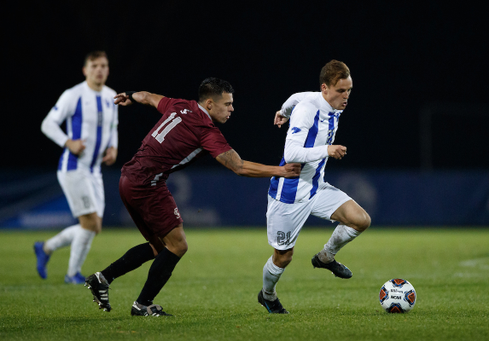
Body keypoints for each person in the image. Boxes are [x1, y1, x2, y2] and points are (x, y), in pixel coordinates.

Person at [84, 77, 301, 317]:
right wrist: (280, 171)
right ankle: (143, 304)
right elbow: (238, 166)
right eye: (227, 104)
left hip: (128, 179)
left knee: (159, 248)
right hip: (148, 184)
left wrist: (129, 94)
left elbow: (146, 96)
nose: (232, 109)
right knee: (178, 246)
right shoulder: (204, 130)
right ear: (209, 104)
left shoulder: (179, 105)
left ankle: (102, 278)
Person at [258, 60, 371, 314]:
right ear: (325, 88)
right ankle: (267, 295)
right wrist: (327, 150)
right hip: (289, 193)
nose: (346, 96)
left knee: (360, 220)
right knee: (283, 257)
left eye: (349, 90)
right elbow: (291, 152)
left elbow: (295, 97)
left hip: (315, 187)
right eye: (341, 91)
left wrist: (283, 111)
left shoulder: (321, 100)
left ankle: (325, 257)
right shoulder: (308, 110)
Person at [35, 51, 118, 284]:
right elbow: (48, 124)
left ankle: (46, 247)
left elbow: (113, 127)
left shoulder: (112, 96)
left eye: (103, 65)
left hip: (94, 171)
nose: (99, 70)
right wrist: (67, 142)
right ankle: (72, 274)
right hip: (73, 167)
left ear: (108, 69)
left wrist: (113, 148)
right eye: (94, 66)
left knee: (94, 226)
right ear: (85, 70)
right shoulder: (74, 95)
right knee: (90, 223)